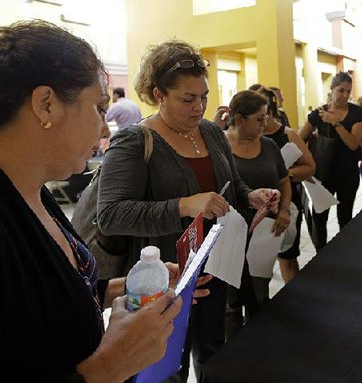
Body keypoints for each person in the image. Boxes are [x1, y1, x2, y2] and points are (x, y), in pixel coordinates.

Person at [0, 20, 187, 382]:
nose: (105, 129)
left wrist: (111, 290)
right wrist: (109, 366)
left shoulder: (26, 185)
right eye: (99, 108)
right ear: (46, 104)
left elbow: (21, 306)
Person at [95, 39, 279, 382]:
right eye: (188, 99)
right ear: (158, 94)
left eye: (204, 97)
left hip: (215, 267)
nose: (200, 107)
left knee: (212, 349)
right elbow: (111, 214)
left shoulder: (209, 131)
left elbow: (230, 183)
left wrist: (250, 195)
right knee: (165, 366)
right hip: (164, 279)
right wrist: (182, 205)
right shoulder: (135, 141)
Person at [224, 90, 291, 332]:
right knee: (230, 300)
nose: (265, 124)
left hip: (263, 232)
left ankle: (258, 342)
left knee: (259, 290)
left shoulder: (269, 145)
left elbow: (284, 180)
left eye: (267, 117)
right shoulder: (220, 145)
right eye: (259, 119)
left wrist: (283, 209)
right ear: (240, 119)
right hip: (230, 235)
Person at [255, 86, 315, 282]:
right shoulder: (247, 137)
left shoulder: (287, 135)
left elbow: (309, 167)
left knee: (287, 258)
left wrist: (283, 174)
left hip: (288, 202)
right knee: (260, 263)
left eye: (261, 117)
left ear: (271, 113)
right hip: (257, 205)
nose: (258, 124)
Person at [298, 72, 362, 250]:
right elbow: (298, 140)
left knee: (345, 216)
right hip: (323, 174)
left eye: (348, 91)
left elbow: (353, 143)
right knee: (319, 216)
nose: (344, 95)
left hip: (348, 174)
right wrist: (306, 162)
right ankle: (321, 253)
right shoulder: (318, 114)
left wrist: (336, 123)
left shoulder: (356, 112)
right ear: (332, 89)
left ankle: (344, 252)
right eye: (340, 90)